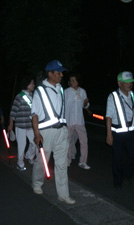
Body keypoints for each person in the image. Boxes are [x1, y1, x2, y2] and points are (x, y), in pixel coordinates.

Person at [31, 60, 76, 205]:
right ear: (50, 74)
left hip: (61, 131)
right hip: (46, 132)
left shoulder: (61, 89)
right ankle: (37, 183)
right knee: (41, 162)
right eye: (58, 73)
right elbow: (35, 114)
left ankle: (63, 194)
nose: (61, 75)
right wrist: (37, 133)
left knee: (62, 164)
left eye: (62, 72)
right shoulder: (40, 91)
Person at [105, 71, 134, 189]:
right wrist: (109, 134)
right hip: (117, 133)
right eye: (127, 82)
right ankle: (118, 182)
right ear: (119, 83)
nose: (130, 84)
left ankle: (126, 174)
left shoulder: (132, 95)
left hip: (131, 133)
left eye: (131, 82)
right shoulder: (113, 96)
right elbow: (109, 116)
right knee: (118, 158)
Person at [8, 76, 36, 171]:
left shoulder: (33, 96)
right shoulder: (19, 96)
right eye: (32, 83)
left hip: (30, 125)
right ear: (27, 84)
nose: (33, 85)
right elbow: (13, 111)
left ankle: (29, 156)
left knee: (34, 142)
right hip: (20, 125)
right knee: (22, 144)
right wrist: (11, 124)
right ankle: (20, 163)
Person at [64, 73, 91, 169]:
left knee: (84, 141)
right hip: (69, 121)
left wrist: (86, 103)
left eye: (73, 80)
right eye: (71, 80)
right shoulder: (66, 92)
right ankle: (67, 161)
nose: (72, 82)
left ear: (77, 81)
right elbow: (62, 106)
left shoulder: (82, 91)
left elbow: (85, 105)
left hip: (80, 121)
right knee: (67, 141)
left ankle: (83, 161)